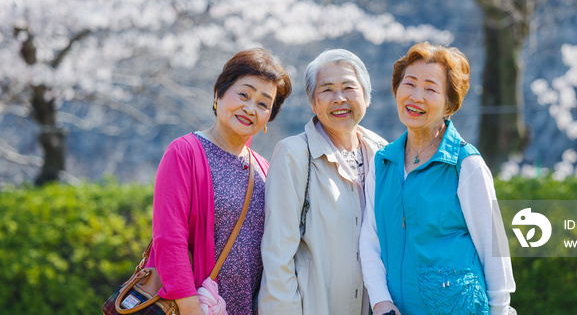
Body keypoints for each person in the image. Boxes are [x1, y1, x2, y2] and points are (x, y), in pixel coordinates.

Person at [360, 42, 515, 315]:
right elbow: (371, 239)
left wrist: (501, 310)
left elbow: (494, 250)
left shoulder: (465, 165)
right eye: (409, 84)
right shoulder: (382, 162)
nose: (416, 96)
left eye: (430, 88)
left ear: (448, 105)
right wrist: (380, 301)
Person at [147, 48, 292, 315]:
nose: (250, 108)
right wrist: (191, 308)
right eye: (244, 94)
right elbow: (169, 239)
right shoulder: (185, 152)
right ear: (219, 94)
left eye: (263, 104)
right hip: (193, 308)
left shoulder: (265, 169)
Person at [259, 49, 387, 314]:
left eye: (349, 87)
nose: (339, 98)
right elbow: (277, 254)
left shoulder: (384, 153)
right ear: (312, 103)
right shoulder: (294, 153)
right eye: (326, 90)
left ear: (366, 95)